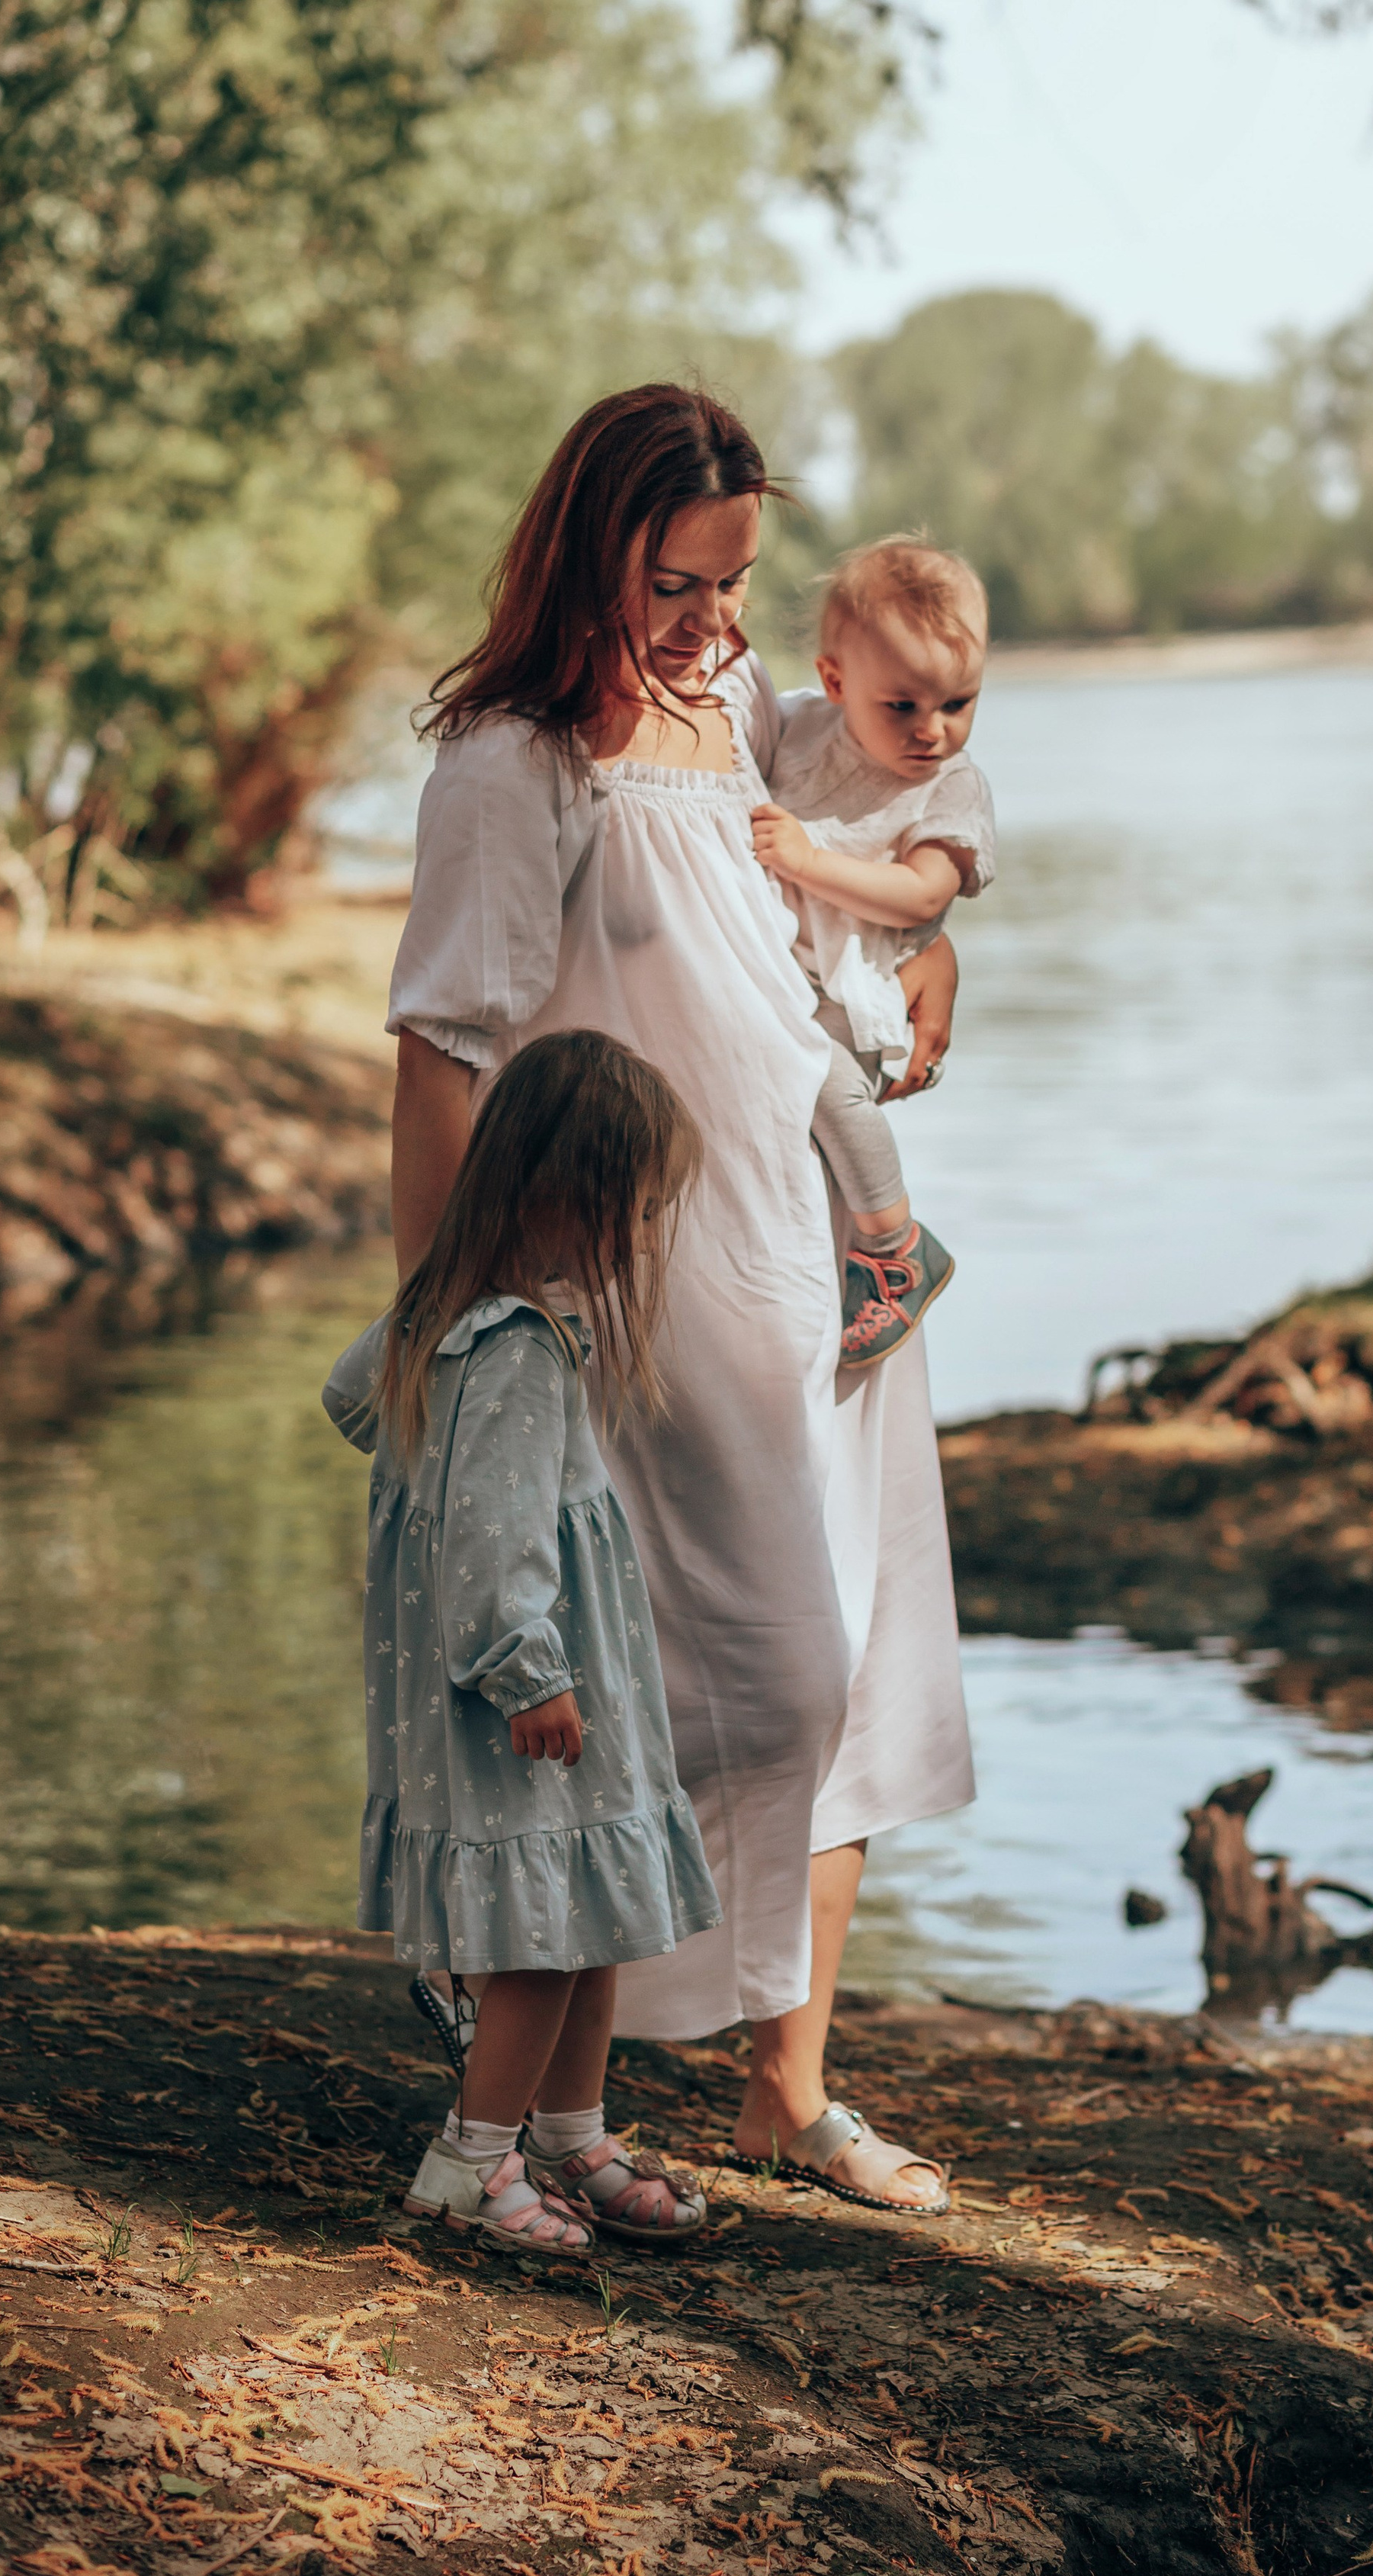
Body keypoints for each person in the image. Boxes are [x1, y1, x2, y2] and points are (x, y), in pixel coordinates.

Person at [386, 384, 972, 2213]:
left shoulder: (734, 705)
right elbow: (442, 1053)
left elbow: (838, 888)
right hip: (645, 1285)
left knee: (852, 1667)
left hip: (816, 1248)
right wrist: (446, 1339)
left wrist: (934, 947)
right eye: (674, 585)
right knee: (731, 1682)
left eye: (731, 582)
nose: (712, 624)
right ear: (587, 554)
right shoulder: (510, 764)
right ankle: (533, 2085)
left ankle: (779, 2090)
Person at [322, 1030, 722, 2256]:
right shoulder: (512, 1348)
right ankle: (469, 2164)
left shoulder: (448, 1318)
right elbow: (496, 1542)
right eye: (637, 1210)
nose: (644, 1239)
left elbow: (347, 1395)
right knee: (545, 1942)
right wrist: (526, 1673)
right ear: (570, 1198)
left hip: (536, 1686)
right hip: (522, 1697)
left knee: (589, 1914)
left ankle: (571, 2136)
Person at [750, 536, 994, 1370]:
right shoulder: (797, 728)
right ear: (834, 682)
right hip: (783, 970)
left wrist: (808, 861)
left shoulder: (949, 786)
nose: (933, 731)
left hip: (858, 987)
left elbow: (924, 895)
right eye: (902, 707)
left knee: (819, 1075)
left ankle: (896, 1248)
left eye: (958, 703)